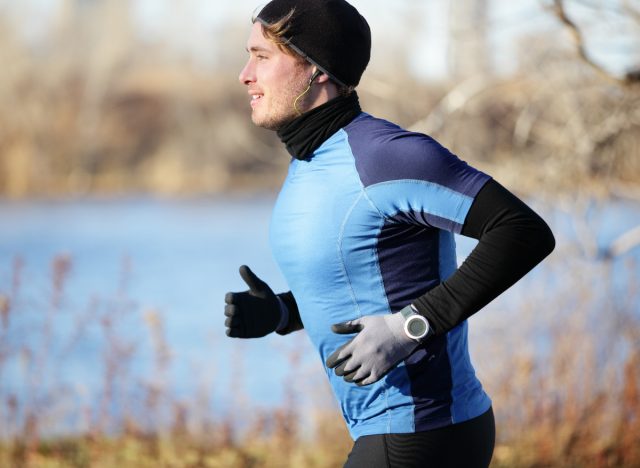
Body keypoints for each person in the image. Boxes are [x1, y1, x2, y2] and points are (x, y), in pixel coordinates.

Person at [224, 1, 555, 466]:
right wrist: (283, 311)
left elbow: (522, 230)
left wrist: (410, 327)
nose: (244, 74)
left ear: (316, 68)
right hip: (399, 432)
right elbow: (363, 280)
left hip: (423, 431)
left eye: (262, 57)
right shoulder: (311, 161)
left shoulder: (386, 156)